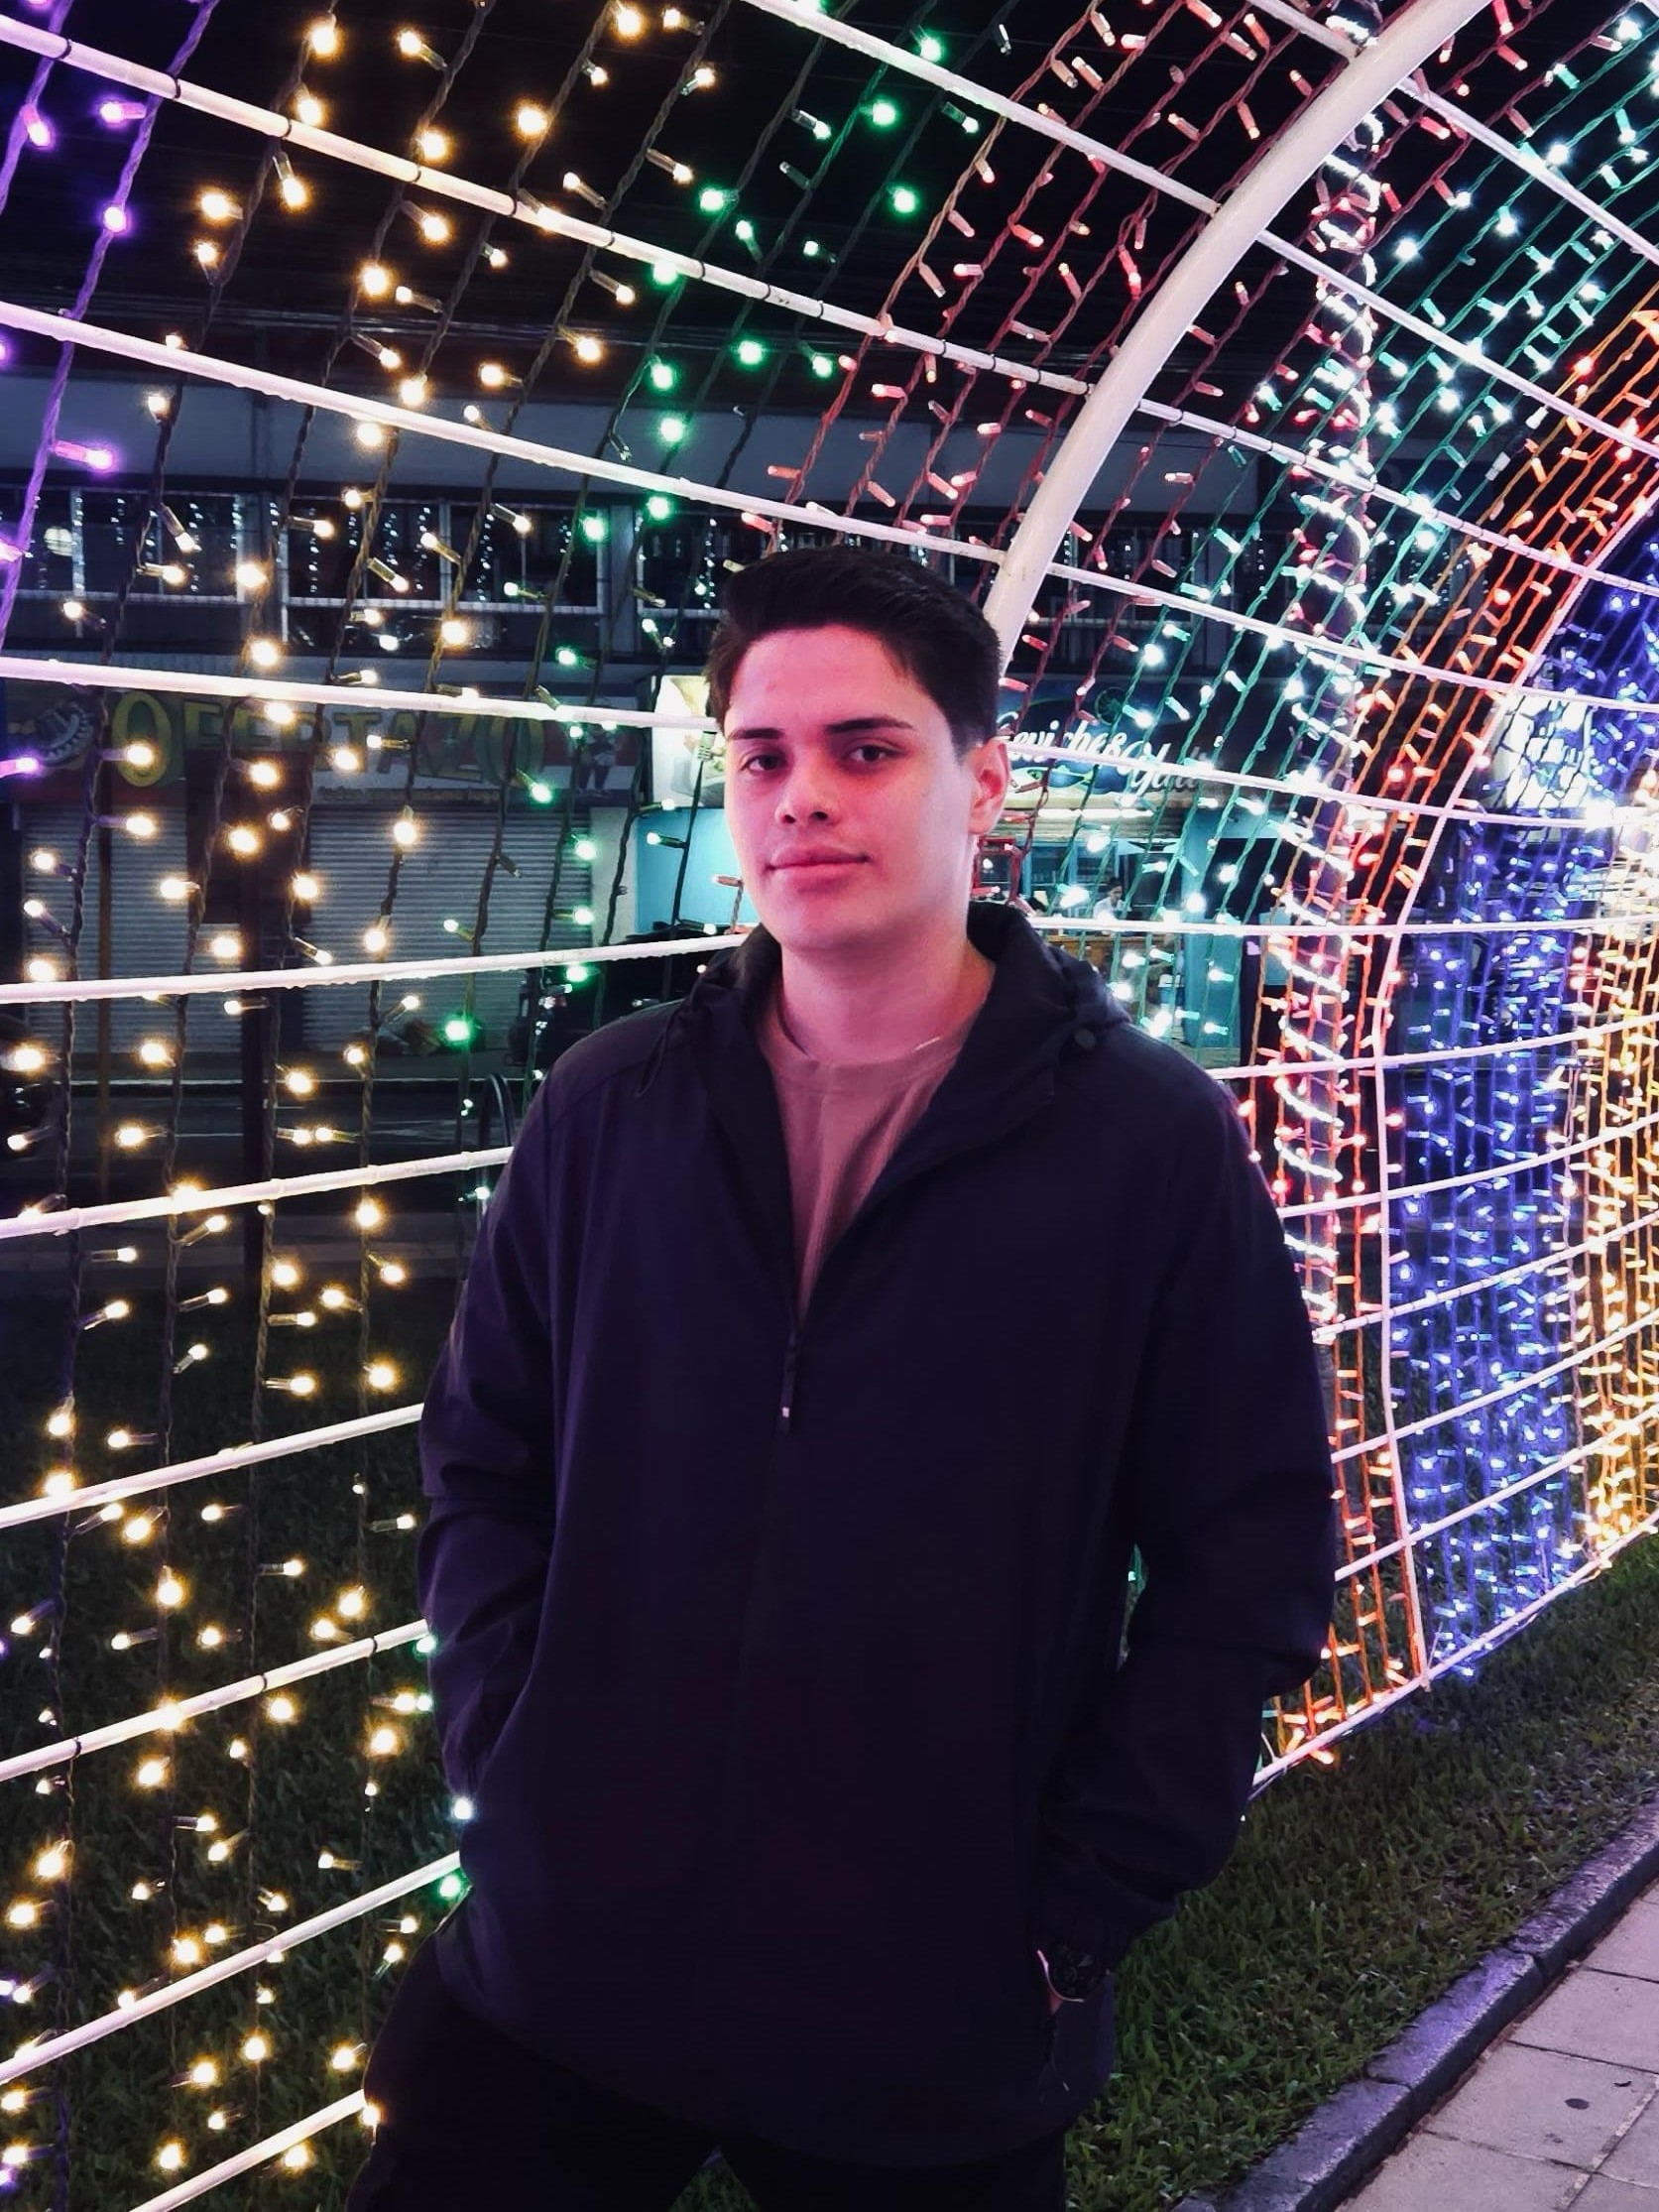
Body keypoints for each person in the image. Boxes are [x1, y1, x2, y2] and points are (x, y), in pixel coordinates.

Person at [346, 547, 1338, 2211]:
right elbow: (483, 1458)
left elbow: (1247, 1559)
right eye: (761, 755)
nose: (801, 796)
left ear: (982, 780)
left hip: (928, 2005)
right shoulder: (611, 1105)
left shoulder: (1143, 1144)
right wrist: (516, 1760)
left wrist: (1062, 1907)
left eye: (865, 748)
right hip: (563, 1963)